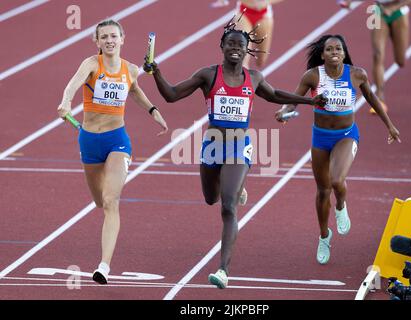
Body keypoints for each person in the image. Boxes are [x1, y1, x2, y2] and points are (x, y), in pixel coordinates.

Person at [143, 19, 327, 288]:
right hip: (213, 144)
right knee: (210, 198)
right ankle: (236, 187)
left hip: (239, 147)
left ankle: (223, 270)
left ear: (246, 50)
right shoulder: (208, 75)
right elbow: (171, 95)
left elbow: (274, 94)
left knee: (228, 206)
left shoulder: (253, 78)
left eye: (240, 45)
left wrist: (308, 101)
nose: (235, 49)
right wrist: (156, 72)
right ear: (222, 46)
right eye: (230, 44)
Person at [57, 19, 168, 285]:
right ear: (97, 42)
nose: (109, 40)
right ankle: (104, 258)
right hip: (89, 141)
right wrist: (65, 102)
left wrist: (154, 111)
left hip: (117, 141)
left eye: (113, 36)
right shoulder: (91, 64)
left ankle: (104, 266)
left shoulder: (130, 69)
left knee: (111, 200)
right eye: (104, 36)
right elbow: (73, 85)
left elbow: (135, 91)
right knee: (99, 201)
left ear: (122, 39)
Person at [275, 34, 401, 265]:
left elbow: (372, 99)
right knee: (323, 191)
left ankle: (341, 206)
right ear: (322, 55)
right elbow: (294, 99)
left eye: (338, 49)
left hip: (346, 135)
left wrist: (390, 126)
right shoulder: (313, 76)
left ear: (344, 53)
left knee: (336, 180)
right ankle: (324, 236)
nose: (334, 52)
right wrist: (284, 112)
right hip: (321, 138)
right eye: (329, 49)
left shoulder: (356, 74)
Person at [338, 0, 411, 114]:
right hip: (377, 11)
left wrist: (393, 8)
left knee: (400, 61)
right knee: (377, 54)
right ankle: (380, 99)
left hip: (399, 12)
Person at [210, 0, 285, 69]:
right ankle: (244, 81)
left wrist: (267, 1)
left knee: (261, 61)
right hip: (243, 13)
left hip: (264, 16)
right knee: (242, 58)